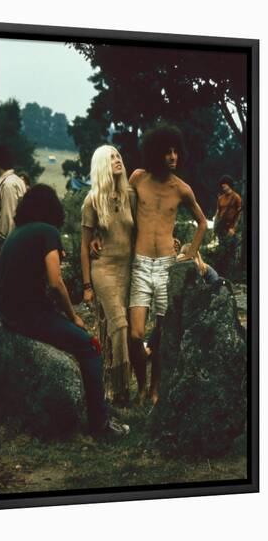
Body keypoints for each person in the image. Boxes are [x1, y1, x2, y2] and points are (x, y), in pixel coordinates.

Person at [0, 183, 129, 437]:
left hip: (9, 315)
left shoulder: (17, 233)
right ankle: (100, 425)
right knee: (90, 347)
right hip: (30, 315)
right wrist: (74, 317)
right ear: (52, 208)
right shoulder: (47, 232)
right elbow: (56, 283)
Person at [128, 124, 207, 405]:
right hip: (139, 264)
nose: (173, 156)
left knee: (160, 335)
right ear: (155, 152)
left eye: (176, 151)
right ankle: (140, 385)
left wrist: (189, 253)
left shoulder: (182, 189)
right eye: (167, 151)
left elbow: (202, 222)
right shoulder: (137, 178)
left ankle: (154, 389)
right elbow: (120, 213)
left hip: (165, 266)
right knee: (136, 335)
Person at [81, 145, 141, 407]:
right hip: (103, 268)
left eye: (119, 155)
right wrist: (86, 286)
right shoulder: (92, 200)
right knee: (119, 325)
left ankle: (113, 384)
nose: (117, 159)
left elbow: (140, 230)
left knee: (122, 331)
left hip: (127, 269)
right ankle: (120, 391)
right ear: (102, 165)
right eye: (111, 157)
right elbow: (84, 247)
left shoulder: (130, 194)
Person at [0, 164, 27, 256]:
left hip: (6, 244)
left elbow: (9, 217)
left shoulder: (8, 185)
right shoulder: (16, 180)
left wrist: (5, 247)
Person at [214, 175, 242, 278]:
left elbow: (239, 214)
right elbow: (218, 212)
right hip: (221, 228)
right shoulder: (220, 198)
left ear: (229, 185)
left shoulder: (236, 197)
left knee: (231, 253)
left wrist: (234, 228)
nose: (223, 187)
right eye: (222, 185)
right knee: (222, 252)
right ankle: (222, 276)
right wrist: (215, 226)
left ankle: (232, 277)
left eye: (224, 185)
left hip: (231, 228)